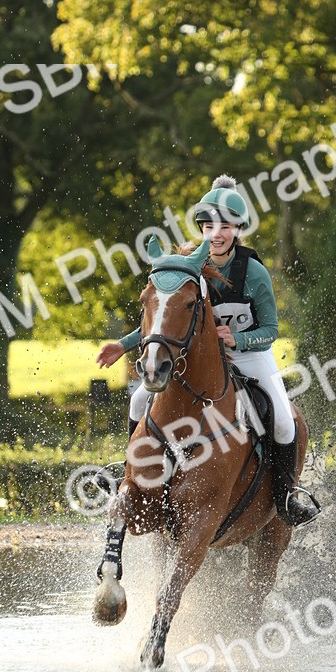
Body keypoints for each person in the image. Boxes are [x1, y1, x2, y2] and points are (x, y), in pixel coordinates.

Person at [96, 175, 318, 526]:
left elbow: (271, 330)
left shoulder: (254, 273)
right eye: (209, 226)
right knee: (139, 400)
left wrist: (238, 339)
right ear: (201, 228)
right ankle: (130, 472)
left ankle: (286, 496)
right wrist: (124, 346)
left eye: (225, 226)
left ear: (238, 229)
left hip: (250, 354)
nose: (216, 234)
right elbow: (164, 323)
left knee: (282, 418)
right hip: (200, 360)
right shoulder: (189, 267)